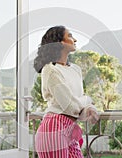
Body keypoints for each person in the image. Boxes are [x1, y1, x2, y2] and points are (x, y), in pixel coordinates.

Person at [33, 26, 99, 158]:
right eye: (69, 36)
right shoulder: (50, 70)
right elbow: (70, 106)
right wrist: (88, 100)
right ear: (60, 42)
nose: (74, 39)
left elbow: (77, 106)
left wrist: (89, 108)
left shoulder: (75, 70)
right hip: (53, 128)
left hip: (70, 129)